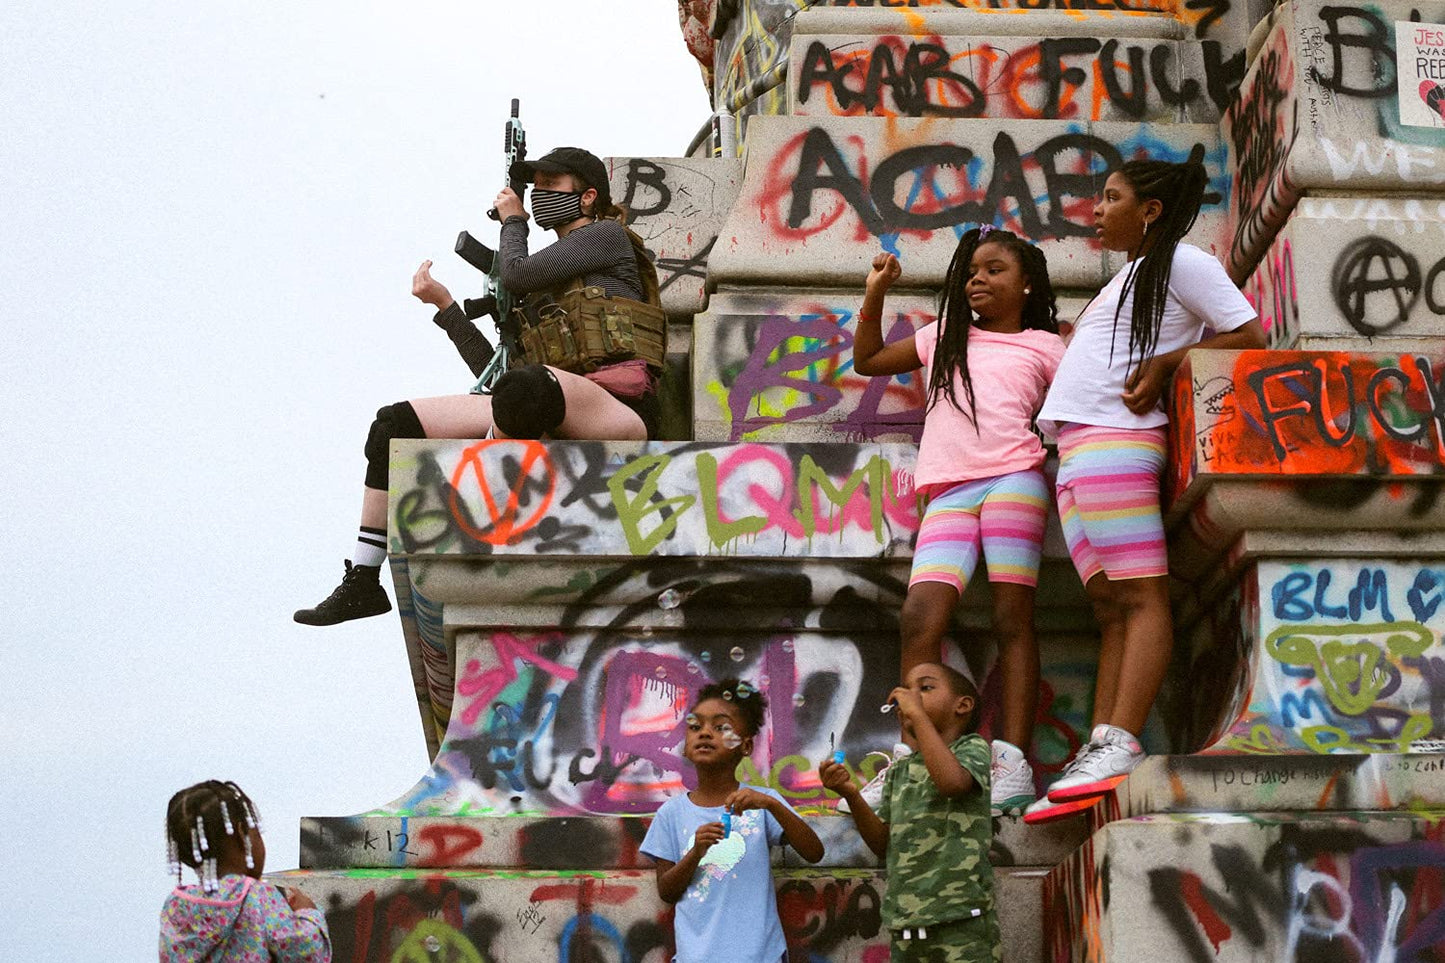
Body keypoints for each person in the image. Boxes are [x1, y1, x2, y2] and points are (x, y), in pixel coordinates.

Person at [295, 147, 657, 626]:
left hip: (613, 411)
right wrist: (445, 308)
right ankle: (363, 580)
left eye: (552, 185)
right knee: (393, 423)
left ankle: (488, 493)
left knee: (528, 388)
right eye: (535, 186)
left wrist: (513, 222)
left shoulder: (606, 236)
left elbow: (517, 272)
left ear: (588, 196)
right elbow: (500, 379)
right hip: (544, 398)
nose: (538, 195)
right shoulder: (543, 296)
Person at [1023, 159, 1267, 824]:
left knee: (1140, 594)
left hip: (1117, 440)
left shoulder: (1183, 263)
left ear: (1150, 210)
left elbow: (1249, 333)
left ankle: (1119, 742)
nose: (1097, 211)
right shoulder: (1130, 275)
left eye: (1111, 198)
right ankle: (1099, 746)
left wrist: (1166, 363)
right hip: (1078, 448)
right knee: (1109, 606)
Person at [851, 227, 1064, 814]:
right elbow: (868, 360)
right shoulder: (946, 334)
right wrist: (875, 293)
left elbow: (1079, 407)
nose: (977, 280)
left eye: (994, 270)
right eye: (971, 272)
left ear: (1026, 283)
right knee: (919, 618)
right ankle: (912, 756)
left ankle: (1012, 761)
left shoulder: (1046, 346)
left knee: (1011, 617)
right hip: (949, 492)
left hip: (1014, 479)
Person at [820, 662, 999, 963]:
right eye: (906, 691)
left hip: (961, 919)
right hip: (907, 923)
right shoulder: (899, 771)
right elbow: (882, 844)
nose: (908, 697)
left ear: (963, 705)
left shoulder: (971, 747)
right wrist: (851, 793)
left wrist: (917, 715)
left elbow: (953, 783)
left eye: (925, 688)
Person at [640, 678, 824, 963]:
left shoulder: (762, 801)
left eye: (720, 727)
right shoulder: (671, 813)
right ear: (685, 746)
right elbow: (667, 891)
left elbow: (814, 852)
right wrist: (696, 853)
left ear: (745, 745)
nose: (705, 733)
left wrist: (773, 805)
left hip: (761, 957)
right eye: (695, 727)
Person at [159, 780, 330, 962]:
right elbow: (308, 953)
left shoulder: (176, 906)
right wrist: (308, 913)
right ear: (242, 834)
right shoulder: (258, 897)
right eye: (257, 834)